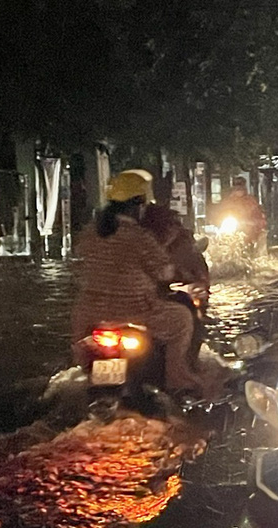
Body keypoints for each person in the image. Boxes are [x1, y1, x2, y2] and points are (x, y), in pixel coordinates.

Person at [74, 170, 223, 398]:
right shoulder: (138, 237)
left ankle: (91, 375)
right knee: (182, 319)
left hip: (89, 312)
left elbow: (84, 261)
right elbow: (164, 271)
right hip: (136, 310)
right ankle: (177, 379)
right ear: (138, 205)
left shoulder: (90, 233)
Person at [211, 176, 268, 254]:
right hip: (232, 227)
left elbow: (259, 217)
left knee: (252, 245)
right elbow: (220, 214)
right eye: (236, 187)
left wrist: (251, 222)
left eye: (240, 187)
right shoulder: (228, 201)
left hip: (249, 231)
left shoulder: (250, 201)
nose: (238, 190)